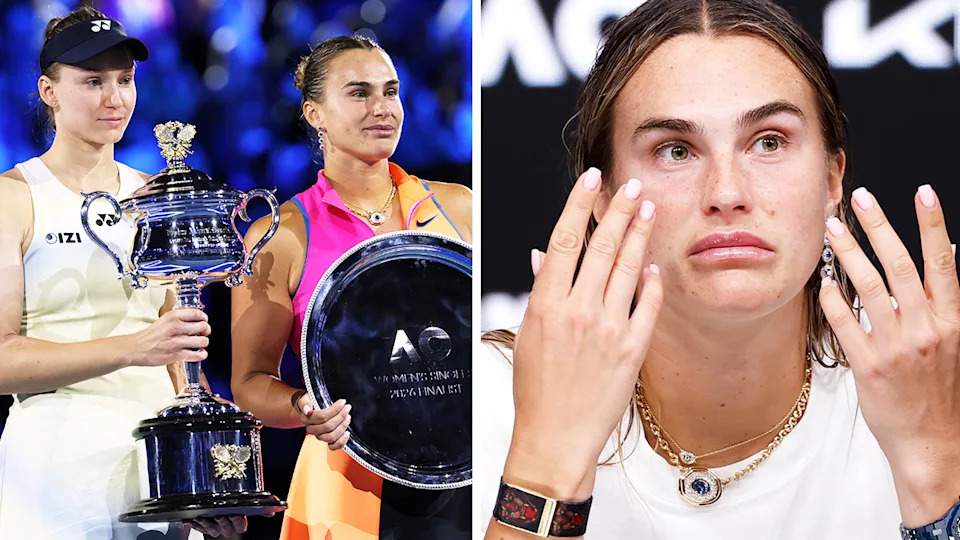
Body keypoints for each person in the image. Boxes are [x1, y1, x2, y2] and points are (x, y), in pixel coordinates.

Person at [478, 1, 960, 538]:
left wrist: (935, 464)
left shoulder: (936, 383)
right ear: (604, 195)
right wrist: (546, 469)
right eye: (675, 151)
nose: (726, 193)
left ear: (831, 180)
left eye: (769, 142)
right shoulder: (487, 400)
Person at [0, 7, 245, 539]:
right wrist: (135, 347)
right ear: (49, 91)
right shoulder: (13, 198)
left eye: (124, 80)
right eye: (92, 81)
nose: (114, 98)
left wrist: (207, 470)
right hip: (56, 472)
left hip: (161, 468)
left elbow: (179, 352)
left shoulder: (157, 197)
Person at [230, 35, 472, 540]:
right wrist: (305, 408)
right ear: (315, 113)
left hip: (472, 473)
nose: (382, 109)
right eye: (359, 93)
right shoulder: (282, 235)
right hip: (350, 485)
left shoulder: (459, 209)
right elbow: (249, 383)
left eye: (390, 91)